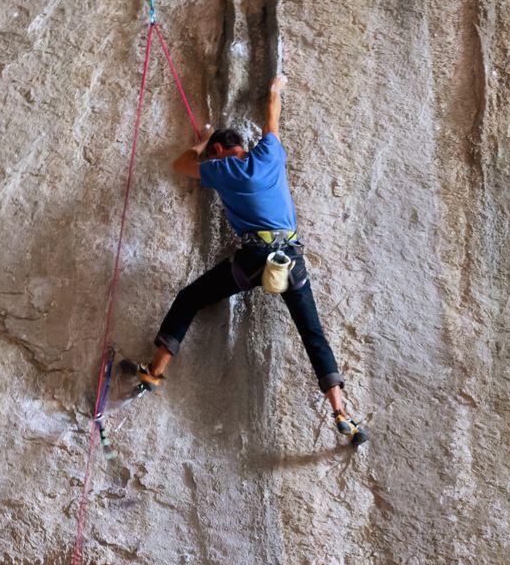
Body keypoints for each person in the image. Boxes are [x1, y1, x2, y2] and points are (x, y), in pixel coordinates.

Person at [123, 73, 367, 444]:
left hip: (252, 262)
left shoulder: (222, 169)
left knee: (190, 298)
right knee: (313, 334)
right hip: (292, 259)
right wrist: (275, 90)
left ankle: (155, 371)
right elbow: (272, 118)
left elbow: (181, 166)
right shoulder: (270, 153)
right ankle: (341, 412)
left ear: (220, 151)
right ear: (245, 145)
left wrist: (201, 143)